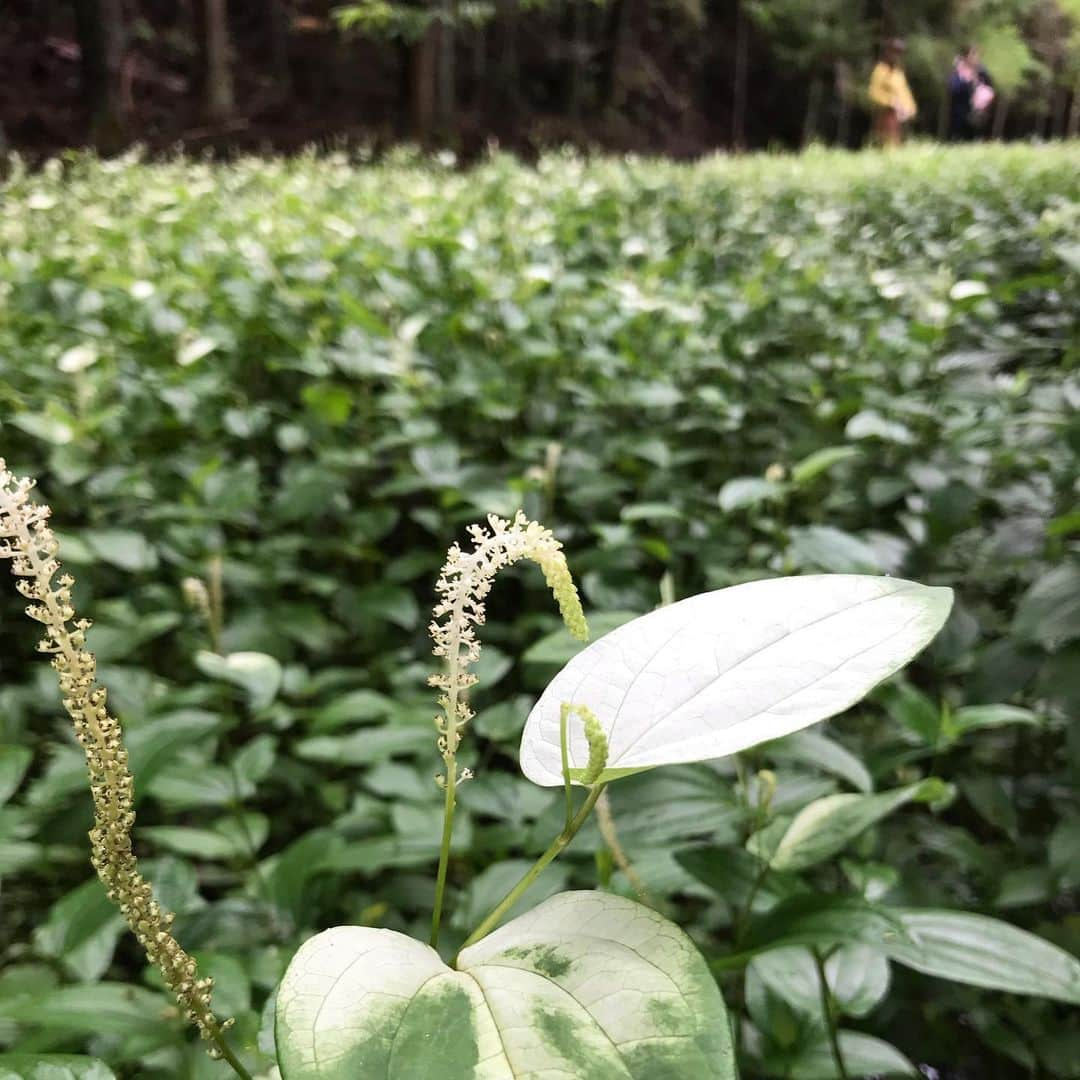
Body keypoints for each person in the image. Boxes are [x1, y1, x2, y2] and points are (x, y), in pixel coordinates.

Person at [868, 38, 917, 147]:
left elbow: (905, 93)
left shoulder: (898, 73)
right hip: (885, 115)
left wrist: (910, 109)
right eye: (895, 52)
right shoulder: (880, 70)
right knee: (887, 144)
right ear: (888, 52)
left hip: (901, 118)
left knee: (900, 145)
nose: (897, 56)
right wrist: (891, 102)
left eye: (900, 53)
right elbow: (873, 93)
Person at [949, 45, 995, 141]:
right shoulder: (958, 71)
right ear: (966, 57)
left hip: (979, 114)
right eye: (973, 54)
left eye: (977, 55)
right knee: (960, 138)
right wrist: (967, 81)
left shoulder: (982, 71)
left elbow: (990, 85)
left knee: (976, 137)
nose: (976, 58)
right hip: (961, 112)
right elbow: (954, 89)